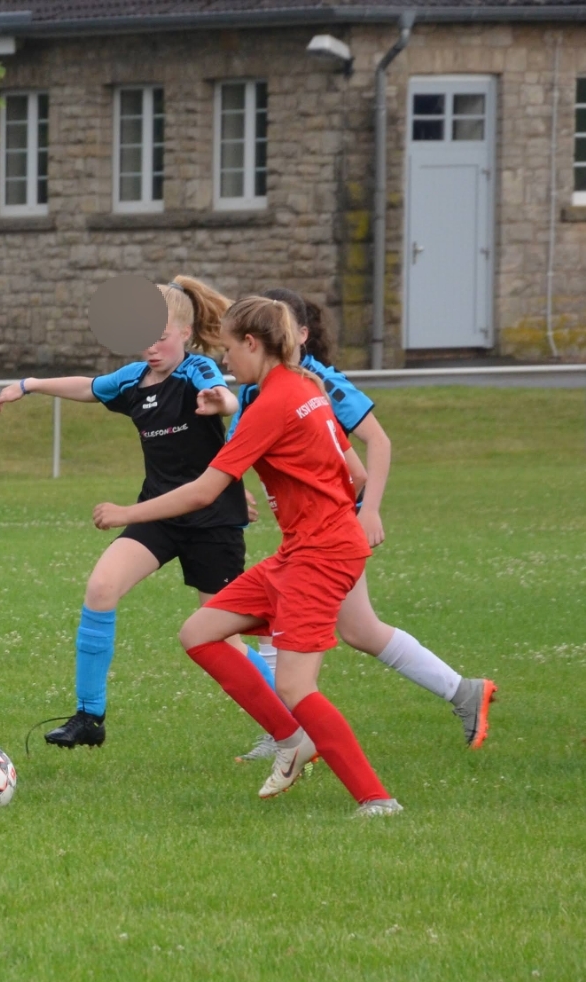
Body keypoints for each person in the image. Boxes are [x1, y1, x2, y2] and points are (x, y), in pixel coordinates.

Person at [93, 296, 402, 817]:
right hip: (304, 549)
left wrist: (127, 512)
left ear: (253, 344)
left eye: (229, 348)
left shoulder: (271, 404)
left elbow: (202, 492)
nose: (226, 360)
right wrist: (308, 497)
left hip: (320, 555)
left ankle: (376, 800)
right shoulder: (307, 386)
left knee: (295, 685)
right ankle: (293, 740)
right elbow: (357, 475)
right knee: (199, 632)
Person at [226, 289, 495, 761]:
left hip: (329, 531)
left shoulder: (320, 381)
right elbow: (242, 448)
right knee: (360, 629)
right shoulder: (257, 388)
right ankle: (464, 691)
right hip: (305, 531)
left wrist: (368, 509)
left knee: (285, 617)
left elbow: (378, 441)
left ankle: (287, 735)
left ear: (300, 334)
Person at [0, 276, 260, 748]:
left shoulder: (196, 370)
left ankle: (291, 720)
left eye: (161, 336)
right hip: (157, 513)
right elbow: (88, 387)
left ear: (185, 332)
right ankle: (89, 717)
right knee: (101, 587)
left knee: (225, 638)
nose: (151, 347)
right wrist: (27, 385)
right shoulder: (133, 380)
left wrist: (221, 400)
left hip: (212, 520)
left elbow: (224, 394)